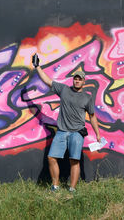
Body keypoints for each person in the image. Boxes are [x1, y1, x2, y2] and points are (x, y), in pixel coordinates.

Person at [32, 54, 101, 192]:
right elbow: (47, 81)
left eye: (79, 79)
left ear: (83, 82)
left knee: (74, 161)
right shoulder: (64, 90)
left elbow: (92, 117)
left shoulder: (87, 98)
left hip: (77, 133)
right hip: (62, 131)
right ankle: (56, 186)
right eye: (75, 78)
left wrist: (98, 135)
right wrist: (37, 66)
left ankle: (72, 189)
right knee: (51, 157)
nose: (77, 81)